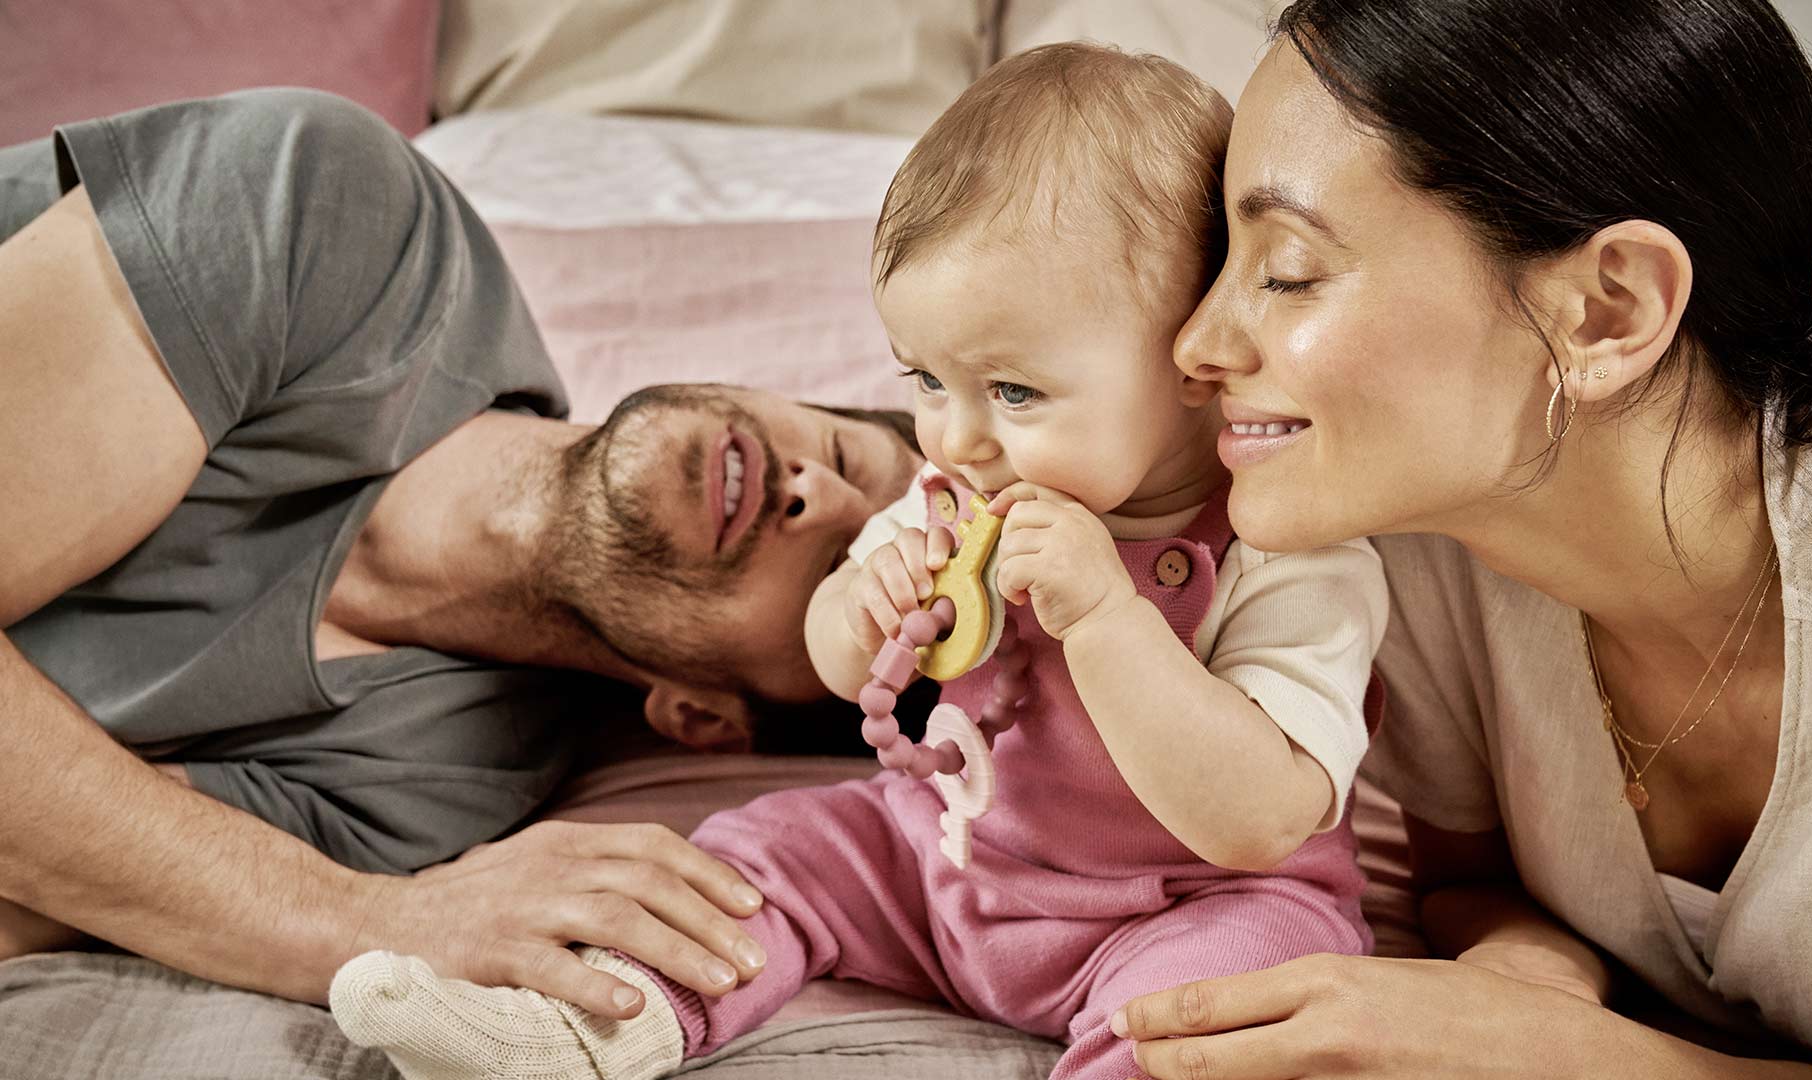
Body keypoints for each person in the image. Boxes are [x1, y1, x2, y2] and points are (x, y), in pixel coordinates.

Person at [327, 43, 1388, 1080]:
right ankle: (589, 1030)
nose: (958, 438)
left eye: (1014, 392)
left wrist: (1107, 619)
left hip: (1180, 907)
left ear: (1198, 358)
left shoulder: (1286, 547)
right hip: (942, 871)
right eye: (926, 381)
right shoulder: (953, 502)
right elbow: (842, 666)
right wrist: (862, 605)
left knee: (1252, 980)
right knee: (767, 851)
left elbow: (1259, 821)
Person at [1112, 1, 1812, 1077]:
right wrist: (1528, 971)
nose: (1197, 343)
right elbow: (1466, 878)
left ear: (1605, 313)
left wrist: (1559, 1052)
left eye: (1289, 270)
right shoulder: (1428, 555)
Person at [0, 88, 923, 1023]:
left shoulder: (445, 787)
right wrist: (364, 919)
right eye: (848, 452)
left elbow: (43, 894)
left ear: (705, 721)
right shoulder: (336, 219)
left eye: (842, 570)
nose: (823, 493)